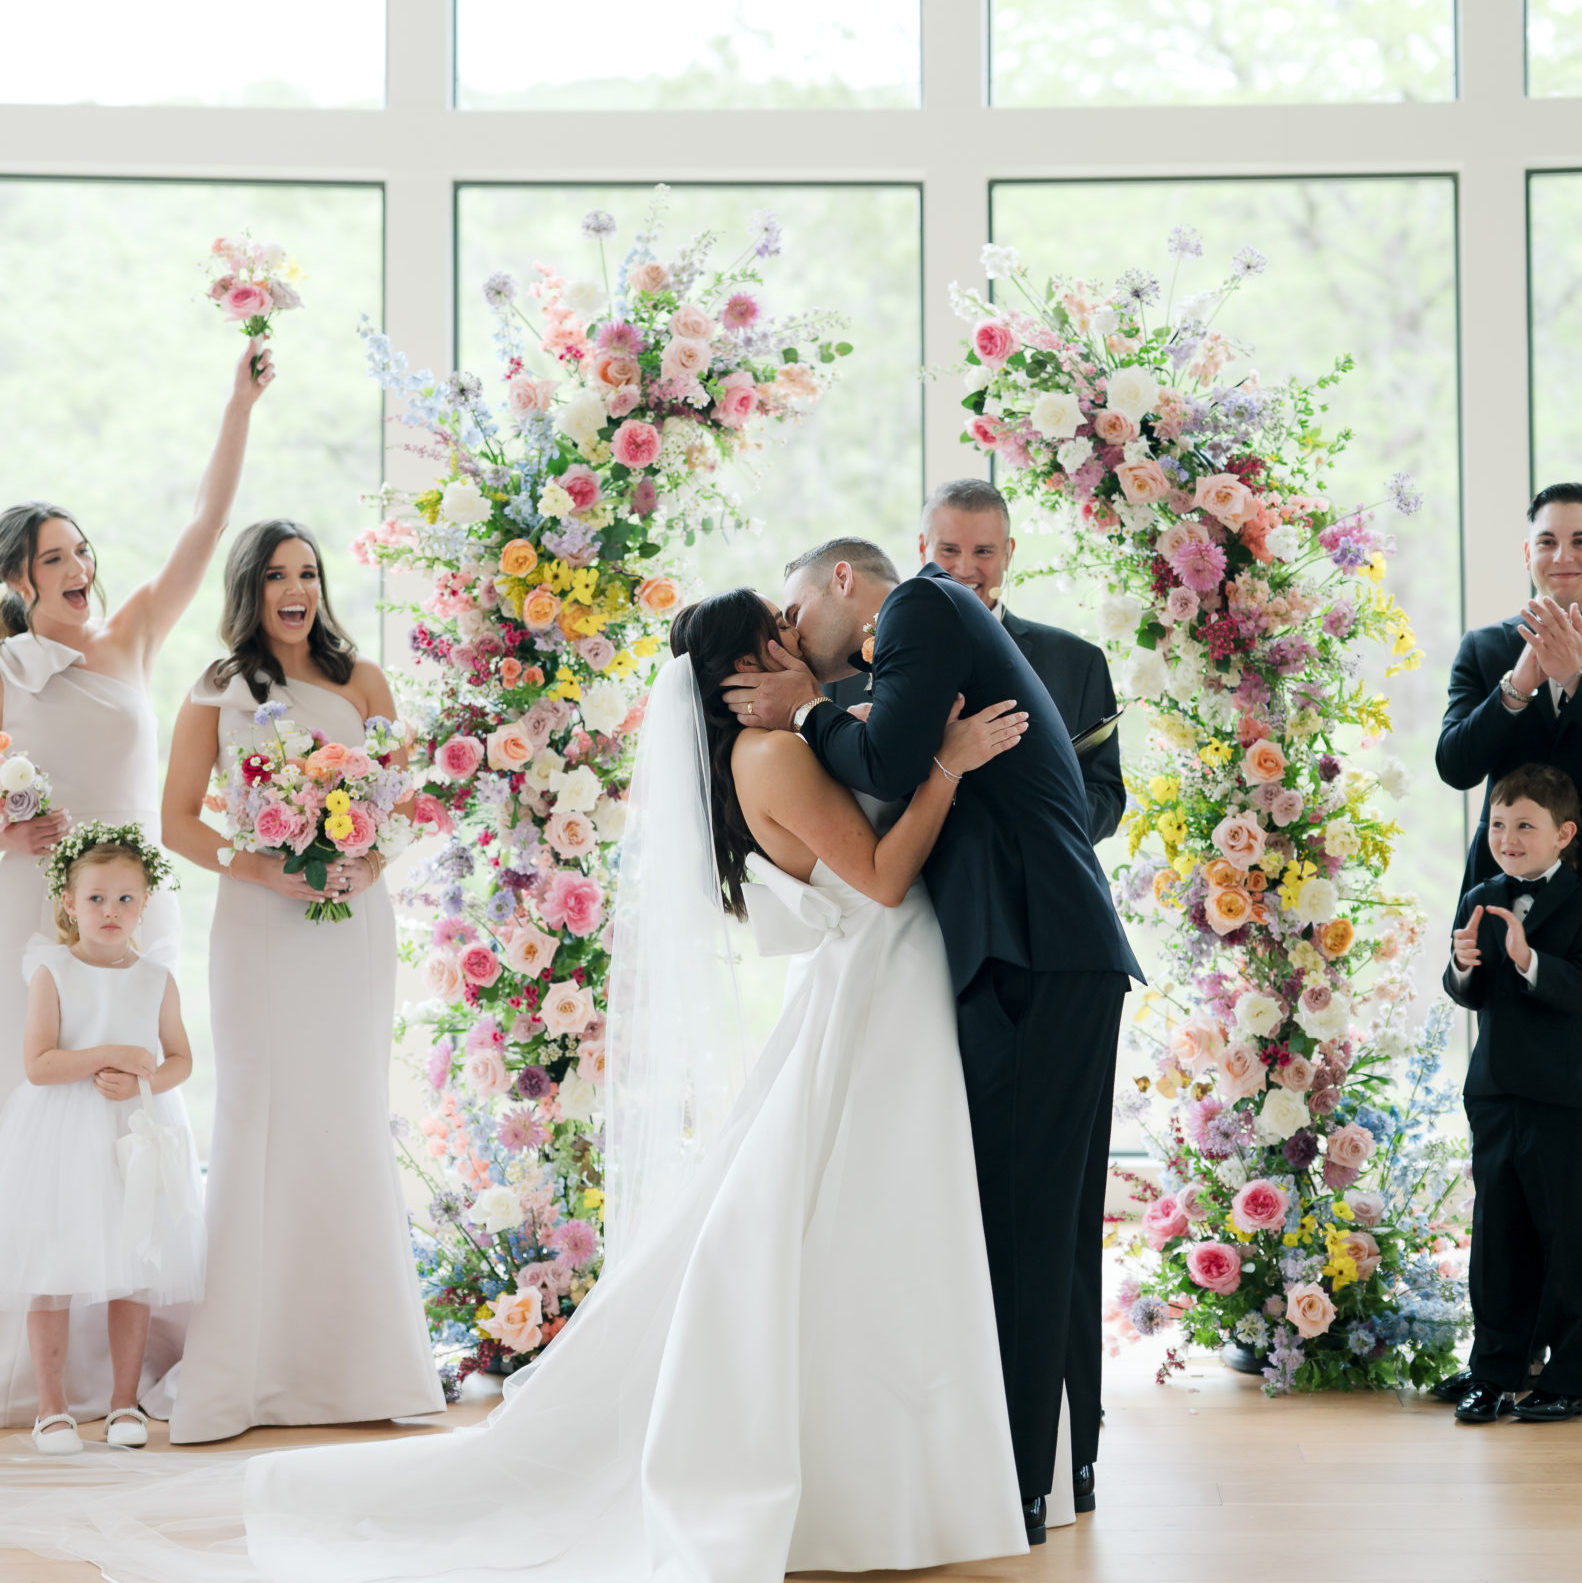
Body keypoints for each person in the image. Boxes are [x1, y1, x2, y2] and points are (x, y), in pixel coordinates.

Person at [0, 589, 1046, 1580]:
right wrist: (948, 768)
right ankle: (880, 1482)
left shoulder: (785, 739)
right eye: (776, 626)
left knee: (866, 1233)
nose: (796, 629)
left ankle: (909, 1471)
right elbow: (878, 875)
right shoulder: (772, 750)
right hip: (880, 975)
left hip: (882, 986)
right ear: (749, 666)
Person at [725, 538, 1143, 1540]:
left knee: (1032, 1223)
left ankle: (1019, 1486)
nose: (791, 642)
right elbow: (896, 756)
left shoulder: (920, 605)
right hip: (1036, 951)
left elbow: (880, 760)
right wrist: (838, 710)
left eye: (792, 614)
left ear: (840, 579)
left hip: (1039, 952)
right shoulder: (910, 646)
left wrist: (810, 709)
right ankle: (1053, 1467)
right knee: (1039, 1219)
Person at [0, 337, 274, 1429]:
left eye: (81, 550)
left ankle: (127, 1364)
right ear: (16, 579)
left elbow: (206, 524)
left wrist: (238, 402)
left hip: (134, 913)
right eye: (53, 555)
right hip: (24, 913)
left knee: (135, 1111)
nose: (78, 566)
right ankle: (37, 1367)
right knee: (33, 1108)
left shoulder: (131, 637)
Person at [161, 518, 443, 1442]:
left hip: (351, 923)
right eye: (279, 574)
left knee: (346, 1114)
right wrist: (259, 865)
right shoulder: (218, 687)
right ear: (250, 589)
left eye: (311, 572)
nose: (299, 587)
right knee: (259, 1116)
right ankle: (246, 1369)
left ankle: (366, 1362)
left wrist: (366, 858)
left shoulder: (364, 682)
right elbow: (176, 822)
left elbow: (400, 806)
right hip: (258, 924)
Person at [0, 823, 203, 1455]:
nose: (110, 912)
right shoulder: (52, 970)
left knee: (134, 1265)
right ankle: (52, 1408)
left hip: (136, 1133)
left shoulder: (156, 977)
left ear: (144, 904)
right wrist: (110, 1056)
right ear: (68, 901)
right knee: (52, 1265)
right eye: (95, 899)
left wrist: (146, 1078)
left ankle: (123, 1403)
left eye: (124, 899)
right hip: (61, 1136)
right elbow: (38, 1065)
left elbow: (179, 1060)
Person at [829, 478, 1124, 844]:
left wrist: (1035, 825)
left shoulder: (1078, 662)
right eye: (949, 550)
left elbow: (1106, 795)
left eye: (984, 551)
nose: (965, 569)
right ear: (923, 548)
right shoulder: (847, 668)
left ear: (1008, 553)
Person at [1443, 763, 1582, 1425]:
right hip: (1494, 1093)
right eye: (1499, 824)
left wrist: (1529, 960)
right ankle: (1494, 1370)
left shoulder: (1581, 898)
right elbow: (1467, 988)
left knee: (1569, 1236)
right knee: (1496, 1236)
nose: (1508, 837)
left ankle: (1571, 1374)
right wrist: (1463, 966)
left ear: (1565, 834)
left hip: (1564, 1096)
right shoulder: (1481, 891)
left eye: (1525, 824)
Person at [1437, 482, 1582, 898]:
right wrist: (1515, 689)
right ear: (1527, 555)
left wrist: (1575, 679)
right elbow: (1455, 768)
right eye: (1548, 541)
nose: (1563, 557)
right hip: (1497, 893)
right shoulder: (1483, 647)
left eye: (1579, 541)